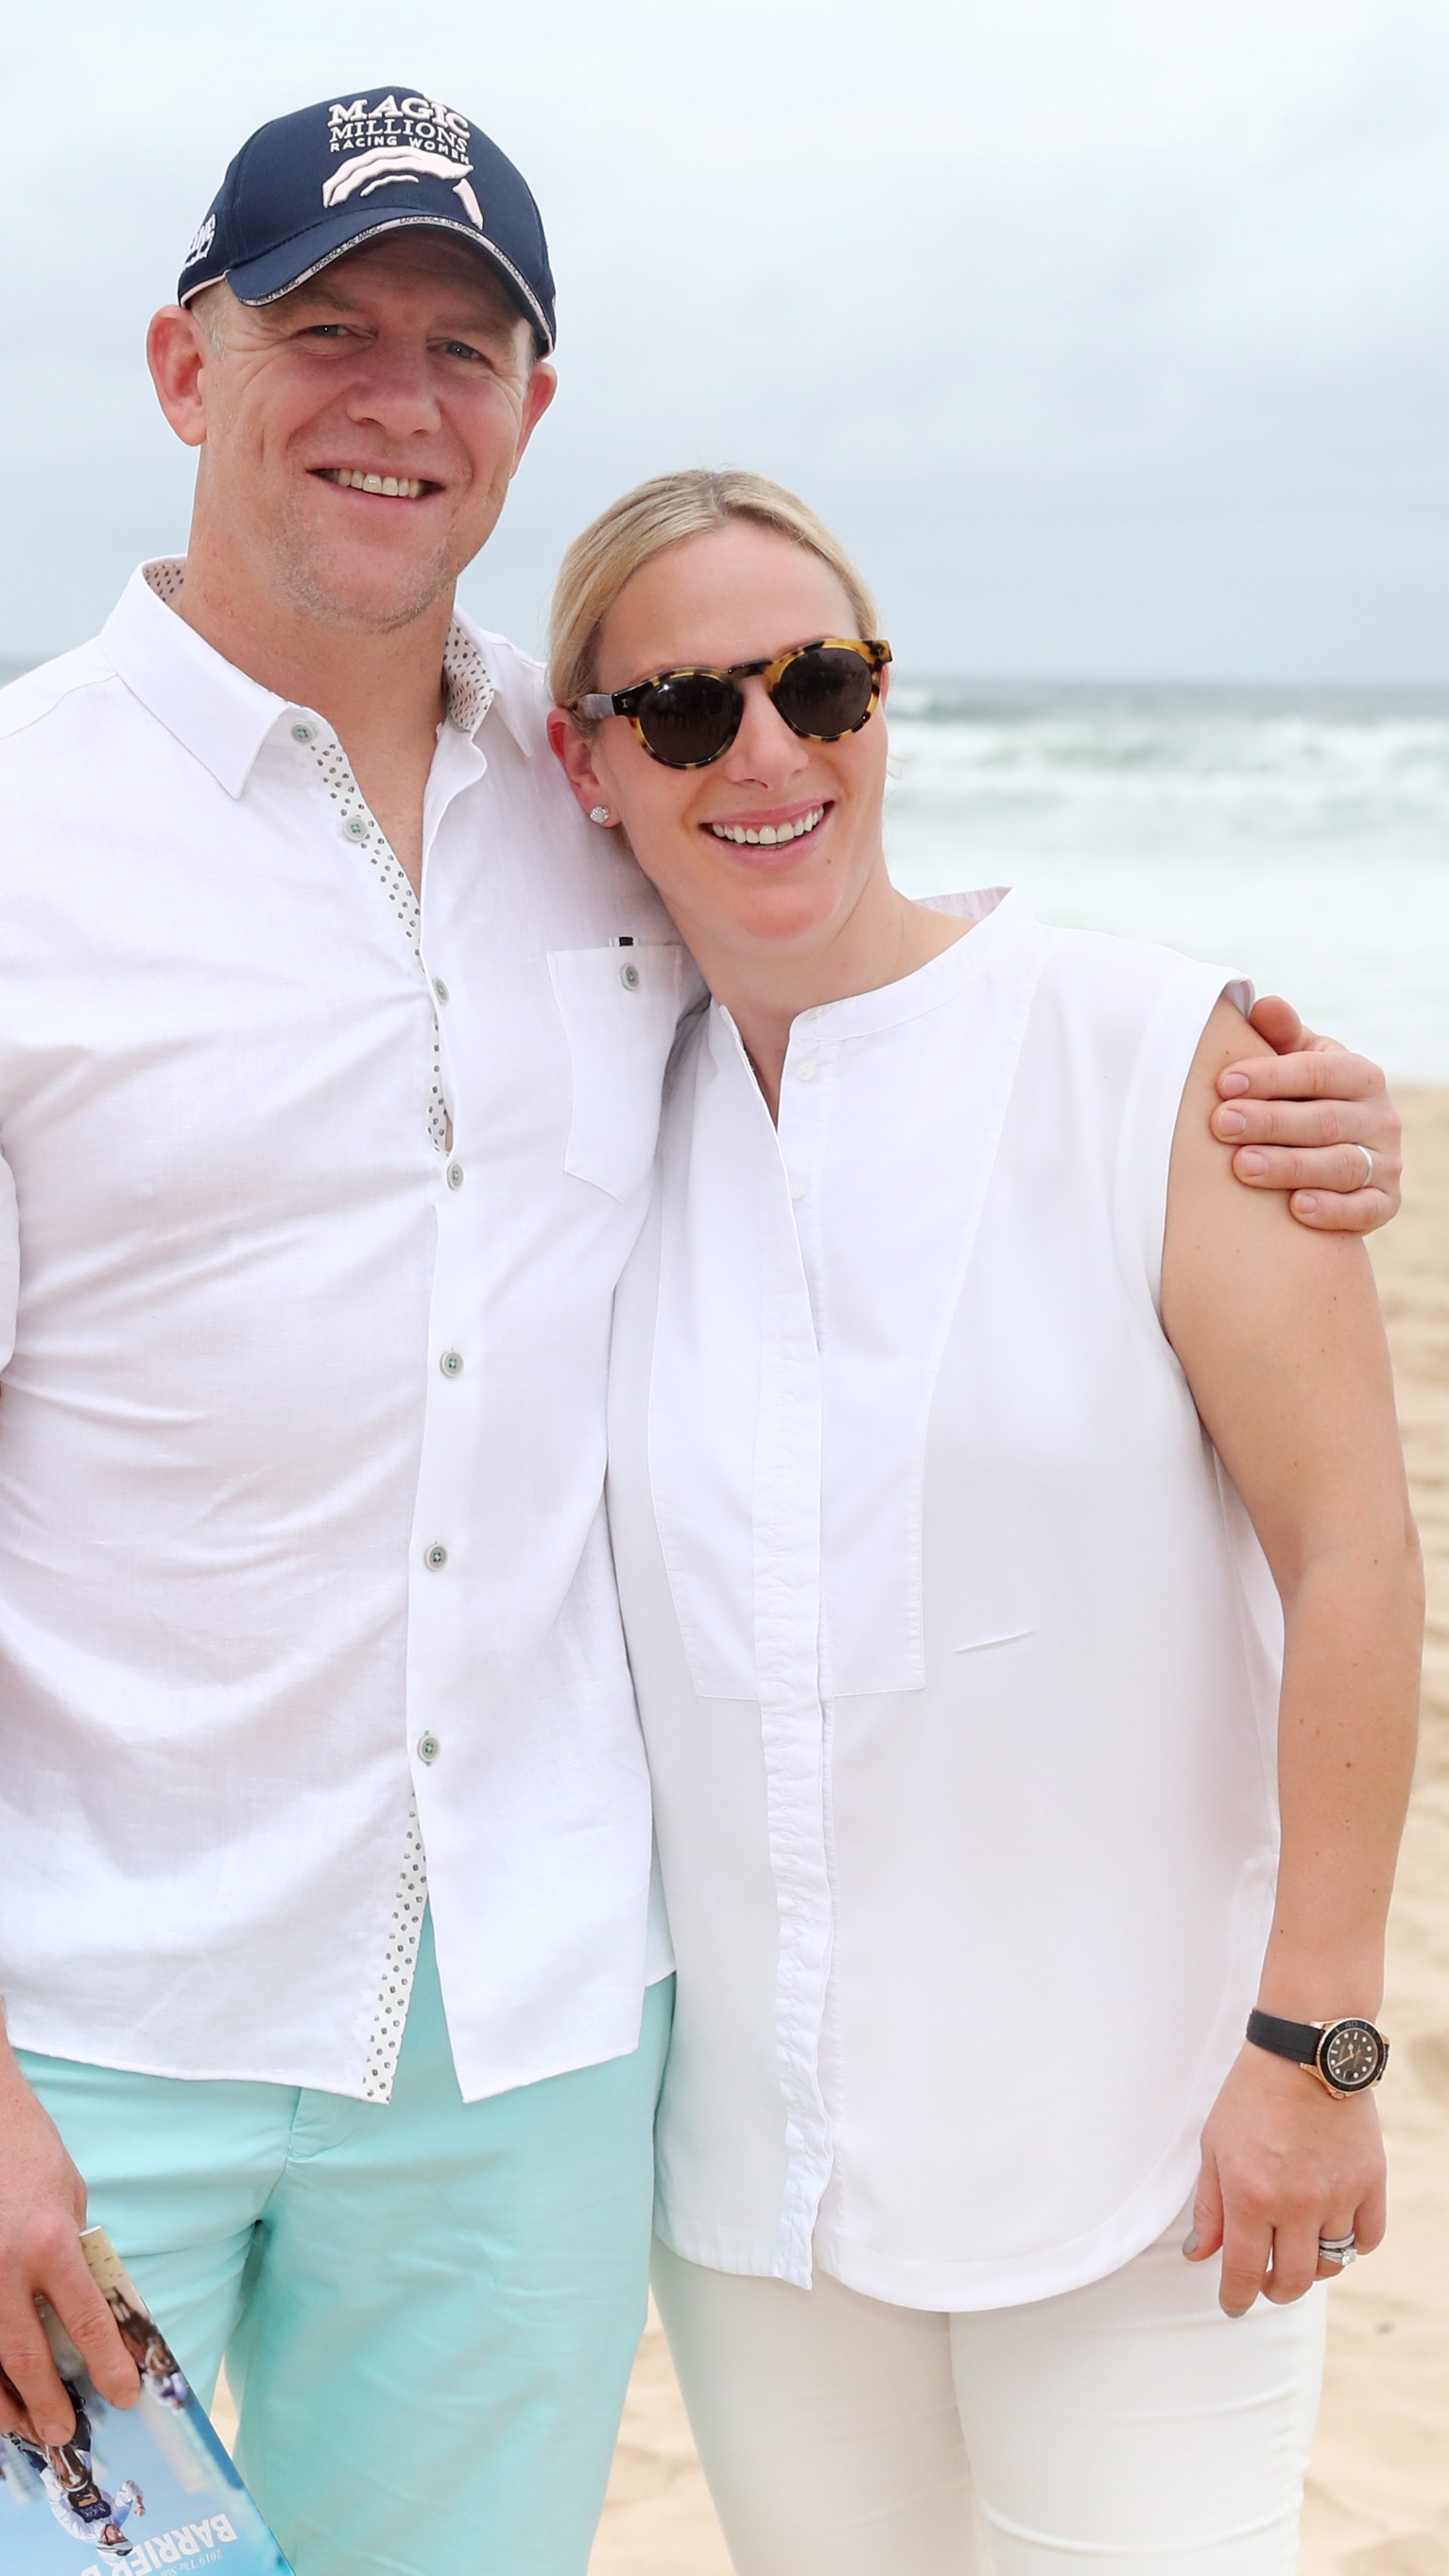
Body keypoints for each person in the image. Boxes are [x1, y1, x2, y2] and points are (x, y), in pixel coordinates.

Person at [0, 89, 1403, 2576]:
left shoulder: (602, 811)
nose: (395, 394)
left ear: (532, 409)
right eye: (326, 328)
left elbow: (861, 944)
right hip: (90, 2016)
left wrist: (1249, 1097)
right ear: (177, 361)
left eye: (464, 343)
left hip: (535, 2052)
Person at [547, 469, 1424, 2574]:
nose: (763, 751)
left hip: (1143, 2151)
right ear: (586, 765)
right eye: (682, 713)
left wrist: (1313, 2041)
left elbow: (1351, 1556)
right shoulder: (598, 1113)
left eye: (818, 684)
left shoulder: (1160, 1061)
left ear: (880, 707)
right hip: (763, 2194)